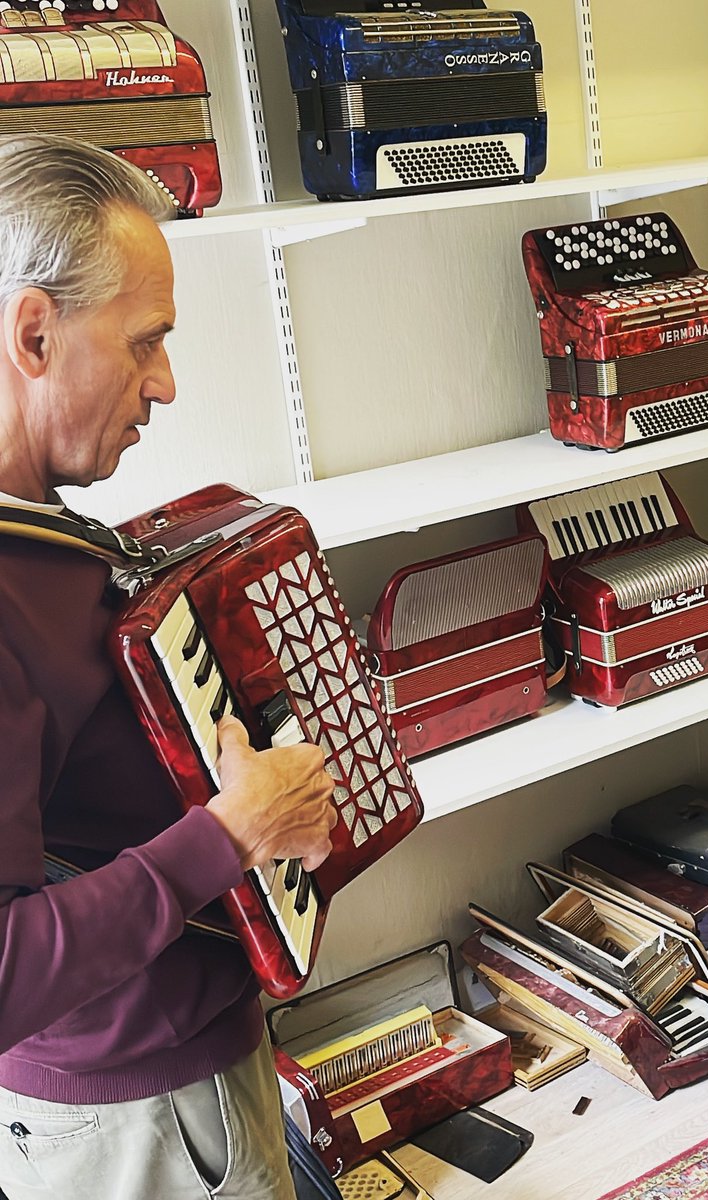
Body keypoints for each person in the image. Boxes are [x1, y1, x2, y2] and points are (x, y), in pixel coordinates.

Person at [0, 134, 337, 1199]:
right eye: (145, 342)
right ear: (34, 333)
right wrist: (233, 835)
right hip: (131, 1126)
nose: (167, 383)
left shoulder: (39, 536)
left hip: (170, 1082)